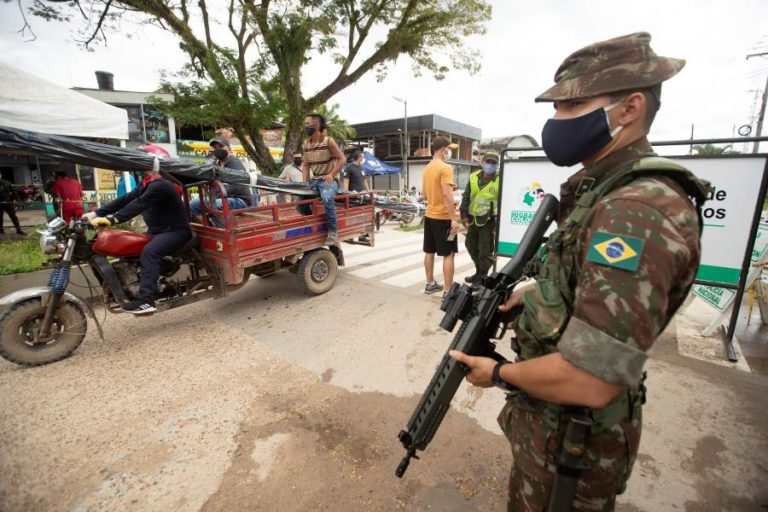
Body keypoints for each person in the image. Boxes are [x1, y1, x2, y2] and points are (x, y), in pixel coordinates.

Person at [449, 32, 709, 510]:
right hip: (551, 434)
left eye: (572, 106)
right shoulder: (605, 192)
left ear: (629, 109)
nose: (556, 121)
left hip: (574, 451)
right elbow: (582, 284)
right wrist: (534, 292)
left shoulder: (635, 210)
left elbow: (593, 378)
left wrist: (501, 373)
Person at [86, 168, 192, 314]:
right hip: (157, 232)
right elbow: (124, 200)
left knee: (150, 253)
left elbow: (139, 204)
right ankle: (131, 289)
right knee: (127, 248)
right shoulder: (147, 184)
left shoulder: (161, 185)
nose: (139, 169)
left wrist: (113, 219)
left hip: (175, 231)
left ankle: (147, 300)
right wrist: (95, 213)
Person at [422, 136, 460, 295]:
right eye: (448, 148)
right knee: (448, 254)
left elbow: (424, 195)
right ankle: (448, 291)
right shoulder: (445, 168)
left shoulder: (427, 168)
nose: (449, 151)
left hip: (429, 216)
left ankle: (430, 283)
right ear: (442, 149)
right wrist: (453, 218)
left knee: (429, 251)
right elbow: (447, 194)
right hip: (444, 218)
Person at [302, 113, 346, 245]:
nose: (305, 127)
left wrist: (331, 174)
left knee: (327, 198)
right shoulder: (306, 144)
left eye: (307, 124)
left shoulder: (329, 141)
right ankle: (313, 224)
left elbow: (342, 159)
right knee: (299, 201)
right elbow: (305, 165)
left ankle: (333, 232)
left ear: (316, 125)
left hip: (329, 180)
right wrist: (304, 183)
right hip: (314, 180)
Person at [190, 137, 254, 222]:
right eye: (215, 148)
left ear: (228, 148)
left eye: (221, 146)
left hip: (239, 200)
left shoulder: (234, 162)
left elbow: (237, 186)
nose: (218, 149)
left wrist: (216, 194)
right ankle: (210, 228)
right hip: (222, 198)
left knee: (213, 205)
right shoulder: (216, 165)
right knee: (193, 205)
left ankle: (218, 231)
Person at [459, 150, 500, 283]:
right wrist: (463, 214)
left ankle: (482, 276)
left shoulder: (499, 180)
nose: (490, 165)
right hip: (473, 219)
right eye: (488, 162)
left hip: (488, 221)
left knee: (485, 251)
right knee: (470, 246)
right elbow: (466, 195)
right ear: (482, 162)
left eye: (493, 163)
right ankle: (479, 271)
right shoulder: (474, 176)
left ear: (497, 165)